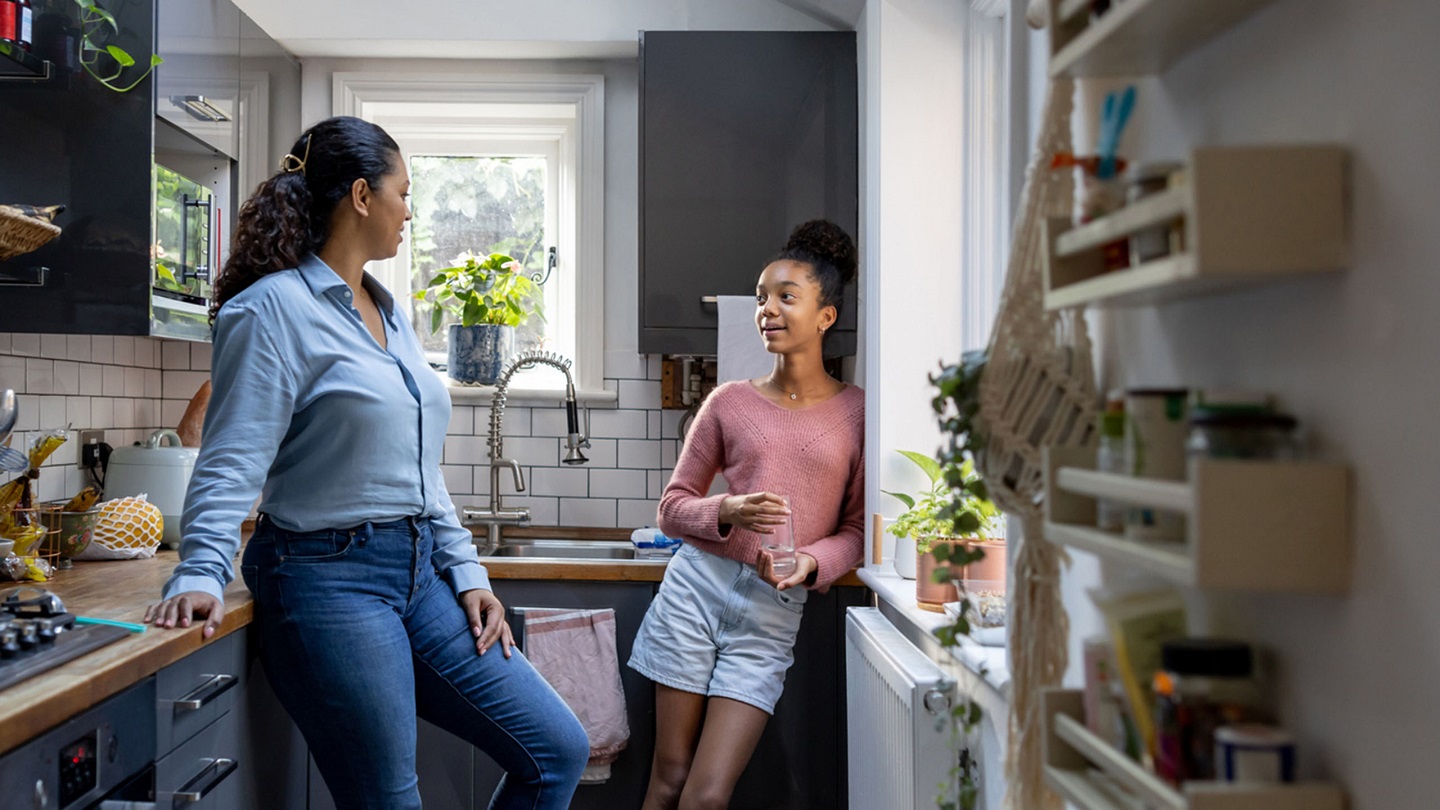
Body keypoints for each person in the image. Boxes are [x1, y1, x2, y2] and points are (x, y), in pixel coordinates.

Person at [143, 116, 589, 810]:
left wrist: (466, 570)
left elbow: (420, 470)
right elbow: (230, 459)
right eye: (403, 193)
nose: (410, 211)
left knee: (558, 749)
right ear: (360, 195)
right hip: (323, 579)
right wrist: (200, 566)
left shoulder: (391, 313)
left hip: (418, 576)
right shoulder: (271, 311)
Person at [628, 220, 865, 810]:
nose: (768, 310)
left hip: (771, 613)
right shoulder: (728, 401)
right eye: (761, 298)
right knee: (670, 776)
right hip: (695, 592)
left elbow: (858, 532)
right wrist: (726, 509)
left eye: (786, 297)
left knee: (707, 795)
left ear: (825, 317)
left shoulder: (858, 413)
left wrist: (811, 561)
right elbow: (672, 507)